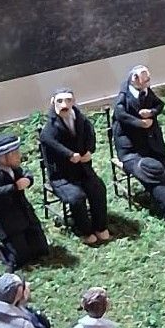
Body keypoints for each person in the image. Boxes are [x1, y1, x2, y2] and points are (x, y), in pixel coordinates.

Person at [111, 65, 165, 221]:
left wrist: (151, 112)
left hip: (152, 143)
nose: (148, 82)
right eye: (145, 79)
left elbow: (159, 104)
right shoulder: (124, 97)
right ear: (135, 79)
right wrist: (140, 123)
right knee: (150, 170)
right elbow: (120, 115)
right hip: (132, 149)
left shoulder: (146, 91)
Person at [40, 89, 110, 246]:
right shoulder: (50, 128)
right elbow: (51, 142)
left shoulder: (81, 120)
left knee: (98, 189)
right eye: (60, 101)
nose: (64, 105)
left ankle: (100, 226)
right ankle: (85, 230)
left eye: (68, 101)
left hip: (83, 170)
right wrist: (69, 155)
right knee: (76, 197)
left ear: (73, 101)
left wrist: (89, 151)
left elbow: (90, 134)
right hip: (62, 176)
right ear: (53, 102)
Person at [0, 133, 50, 269]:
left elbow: (26, 173)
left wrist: (28, 180)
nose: (19, 156)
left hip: (24, 213)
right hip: (9, 222)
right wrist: (14, 187)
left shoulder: (13, 168)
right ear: (4, 156)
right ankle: (2, 248)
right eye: (15, 153)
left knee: (41, 249)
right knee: (20, 258)